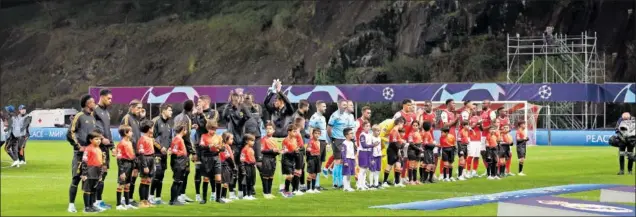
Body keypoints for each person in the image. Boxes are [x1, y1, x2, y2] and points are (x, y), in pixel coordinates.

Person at [67, 95, 97, 213]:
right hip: (80, 155)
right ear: (87, 104)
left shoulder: (93, 118)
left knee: (90, 180)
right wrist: (78, 146)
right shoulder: (79, 116)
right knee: (76, 179)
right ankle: (71, 205)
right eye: (93, 102)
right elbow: (70, 133)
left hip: (91, 154)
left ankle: (89, 206)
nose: (95, 104)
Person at [223, 92, 251, 198]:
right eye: (233, 99)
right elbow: (223, 116)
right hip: (232, 143)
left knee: (241, 168)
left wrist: (241, 105)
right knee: (232, 168)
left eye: (236, 99)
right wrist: (228, 104)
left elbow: (248, 116)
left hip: (241, 142)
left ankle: (240, 191)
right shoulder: (229, 109)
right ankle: (231, 192)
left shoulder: (242, 107)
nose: (235, 101)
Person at [192, 95, 219, 202]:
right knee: (198, 170)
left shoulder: (214, 112)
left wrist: (201, 115)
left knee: (211, 171)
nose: (198, 103)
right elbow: (197, 126)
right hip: (199, 146)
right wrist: (195, 116)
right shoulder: (196, 114)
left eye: (199, 101)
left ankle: (213, 192)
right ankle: (198, 194)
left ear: (206, 102)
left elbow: (209, 124)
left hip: (211, 145)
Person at [92, 89, 113, 209]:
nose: (110, 101)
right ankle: (94, 202)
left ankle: (99, 200)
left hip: (105, 148)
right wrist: (101, 137)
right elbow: (91, 127)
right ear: (102, 97)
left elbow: (108, 130)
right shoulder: (95, 110)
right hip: (97, 148)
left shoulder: (106, 112)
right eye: (108, 98)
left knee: (103, 173)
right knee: (98, 174)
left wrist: (112, 146)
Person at [172, 100, 197, 203]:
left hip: (178, 148)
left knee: (183, 173)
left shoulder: (178, 116)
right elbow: (186, 136)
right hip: (182, 150)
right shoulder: (185, 118)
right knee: (183, 173)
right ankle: (179, 196)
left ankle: (181, 195)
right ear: (192, 107)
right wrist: (193, 151)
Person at [119, 99, 142, 207]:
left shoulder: (136, 119)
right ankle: (124, 198)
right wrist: (131, 150)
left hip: (136, 152)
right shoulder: (127, 118)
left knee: (134, 175)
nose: (139, 110)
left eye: (141, 108)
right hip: (129, 153)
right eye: (138, 108)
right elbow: (125, 135)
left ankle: (130, 198)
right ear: (132, 107)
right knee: (126, 176)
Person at [327, 99, 354, 189]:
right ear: (339, 105)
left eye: (346, 105)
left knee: (343, 161)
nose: (345, 106)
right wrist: (332, 139)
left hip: (344, 140)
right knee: (337, 161)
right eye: (343, 105)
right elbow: (329, 128)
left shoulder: (347, 115)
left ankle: (342, 182)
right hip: (337, 139)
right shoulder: (334, 115)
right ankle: (335, 183)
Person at [150, 104, 173, 205]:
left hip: (164, 154)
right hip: (156, 153)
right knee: (156, 175)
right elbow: (151, 137)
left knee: (162, 176)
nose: (171, 112)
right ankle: (150, 196)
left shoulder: (169, 123)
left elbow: (170, 138)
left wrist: (170, 147)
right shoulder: (155, 121)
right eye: (169, 110)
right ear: (163, 111)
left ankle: (158, 198)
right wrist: (160, 147)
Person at [198, 121, 223, 204]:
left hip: (216, 158)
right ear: (208, 128)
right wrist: (209, 146)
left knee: (218, 179)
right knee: (206, 178)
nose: (213, 131)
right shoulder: (204, 136)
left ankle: (218, 198)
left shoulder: (219, 137)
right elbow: (201, 147)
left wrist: (219, 147)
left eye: (215, 129)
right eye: (212, 129)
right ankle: (204, 199)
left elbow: (223, 148)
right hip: (206, 158)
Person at [80, 131, 105, 213]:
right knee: (87, 189)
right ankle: (87, 207)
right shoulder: (88, 149)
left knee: (94, 189)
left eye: (100, 139)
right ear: (91, 140)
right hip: (89, 172)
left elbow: (101, 162)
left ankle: (92, 205)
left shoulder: (99, 149)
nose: (99, 141)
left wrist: (101, 174)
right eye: (96, 139)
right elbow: (84, 162)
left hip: (97, 172)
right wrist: (84, 173)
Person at [114, 125, 137, 210]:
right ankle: (118, 205)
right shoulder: (121, 144)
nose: (132, 133)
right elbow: (119, 159)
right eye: (130, 131)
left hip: (130, 165)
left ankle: (127, 204)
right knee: (121, 184)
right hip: (124, 165)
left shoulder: (129, 142)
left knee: (127, 184)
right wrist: (122, 171)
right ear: (125, 133)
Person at [308, 100, 329, 190]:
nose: (325, 108)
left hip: (323, 141)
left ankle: (317, 184)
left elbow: (324, 131)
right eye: (323, 106)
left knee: (320, 163)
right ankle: (315, 185)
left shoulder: (323, 118)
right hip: (318, 142)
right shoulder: (314, 117)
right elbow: (311, 129)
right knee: (316, 163)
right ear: (318, 107)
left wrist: (326, 142)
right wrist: (312, 142)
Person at [136, 120, 156, 208]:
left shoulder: (150, 138)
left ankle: (146, 200)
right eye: (152, 127)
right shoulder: (142, 139)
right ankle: (142, 201)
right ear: (148, 129)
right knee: (144, 181)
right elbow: (141, 153)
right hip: (146, 160)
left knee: (148, 181)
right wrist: (145, 166)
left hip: (151, 158)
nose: (153, 129)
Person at [168, 125, 189, 206]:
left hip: (182, 162)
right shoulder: (177, 139)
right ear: (183, 130)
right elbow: (174, 150)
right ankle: (173, 200)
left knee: (180, 181)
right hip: (178, 162)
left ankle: (175, 199)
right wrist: (182, 153)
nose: (186, 131)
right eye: (186, 129)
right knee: (176, 181)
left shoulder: (179, 138)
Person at [438, 99, 458, 180]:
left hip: (452, 137)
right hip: (445, 138)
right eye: (453, 103)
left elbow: (454, 125)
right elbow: (446, 125)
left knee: (451, 158)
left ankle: (449, 175)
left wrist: (457, 119)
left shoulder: (452, 114)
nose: (454, 105)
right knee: (444, 157)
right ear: (448, 104)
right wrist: (456, 119)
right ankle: (441, 174)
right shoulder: (444, 113)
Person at [260, 123, 280, 199]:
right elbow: (262, 150)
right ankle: (265, 193)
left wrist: (278, 152)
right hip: (266, 159)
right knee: (266, 176)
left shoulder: (274, 140)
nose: (268, 130)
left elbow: (276, 150)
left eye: (270, 128)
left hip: (273, 159)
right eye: (267, 128)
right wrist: (272, 150)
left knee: (271, 176)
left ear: (274, 130)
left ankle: (269, 192)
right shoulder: (263, 139)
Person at [281, 124, 302, 196]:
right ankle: (285, 190)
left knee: (292, 175)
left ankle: (288, 189)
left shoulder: (295, 140)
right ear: (289, 132)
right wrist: (294, 151)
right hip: (286, 160)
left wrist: (296, 151)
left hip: (292, 160)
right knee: (290, 176)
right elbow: (285, 152)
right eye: (294, 131)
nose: (295, 133)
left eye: (296, 132)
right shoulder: (285, 141)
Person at [219, 132, 237, 203]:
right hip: (225, 166)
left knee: (226, 182)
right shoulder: (224, 146)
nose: (232, 140)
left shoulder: (227, 146)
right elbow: (228, 157)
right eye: (231, 139)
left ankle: (223, 197)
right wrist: (233, 166)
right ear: (226, 139)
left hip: (227, 165)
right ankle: (222, 197)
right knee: (225, 182)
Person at [240, 134, 257, 200]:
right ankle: (245, 195)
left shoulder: (251, 149)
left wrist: (254, 164)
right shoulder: (244, 149)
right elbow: (242, 159)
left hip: (252, 166)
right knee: (246, 181)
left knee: (251, 181)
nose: (253, 142)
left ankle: (250, 195)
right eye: (252, 141)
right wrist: (243, 168)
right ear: (247, 141)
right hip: (247, 166)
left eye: (254, 141)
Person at [357, 121, 373, 190]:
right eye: (366, 126)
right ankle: (359, 185)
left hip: (368, 152)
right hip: (363, 152)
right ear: (363, 127)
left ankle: (363, 184)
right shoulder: (362, 135)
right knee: (362, 169)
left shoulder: (369, 134)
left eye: (369, 126)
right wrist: (372, 145)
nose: (368, 127)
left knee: (365, 169)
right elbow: (363, 145)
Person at [305, 128, 322, 193]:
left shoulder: (318, 141)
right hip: (311, 159)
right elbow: (308, 149)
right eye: (315, 133)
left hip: (317, 158)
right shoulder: (311, 141)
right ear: (312, 134)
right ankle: (308, 189)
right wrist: (313, 151)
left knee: (315, 174)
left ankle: (313, 188)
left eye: (318, 133)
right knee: (310, 174)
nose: (317, 135)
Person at [341, 128, 356, 192]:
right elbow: (343, 153)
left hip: (351, 159)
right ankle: (345, 187)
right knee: (346, 174)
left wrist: (354, 160)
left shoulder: (351, 143)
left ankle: (348, 186)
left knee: (349, 174)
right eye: (351, 133)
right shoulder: (344, 143)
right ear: (346, 135)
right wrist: (345, 161)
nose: (353, 134)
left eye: (353, 133)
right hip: (347, 159)